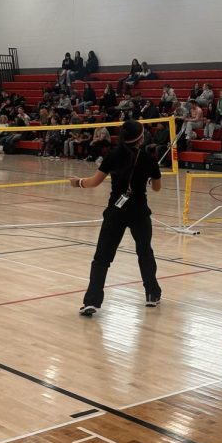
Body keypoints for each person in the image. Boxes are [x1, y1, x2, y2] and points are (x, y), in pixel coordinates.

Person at [71, 120, 161, 316]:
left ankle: (92, 302)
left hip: (116, 212)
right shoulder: (149, 159)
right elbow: (157, 188)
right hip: (139, 212)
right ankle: (152, 294)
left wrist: (78, 183)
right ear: (141, 137)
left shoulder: (112, 155)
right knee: (144, 252)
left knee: (102, 258)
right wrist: (149, 178)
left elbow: (93, 182)